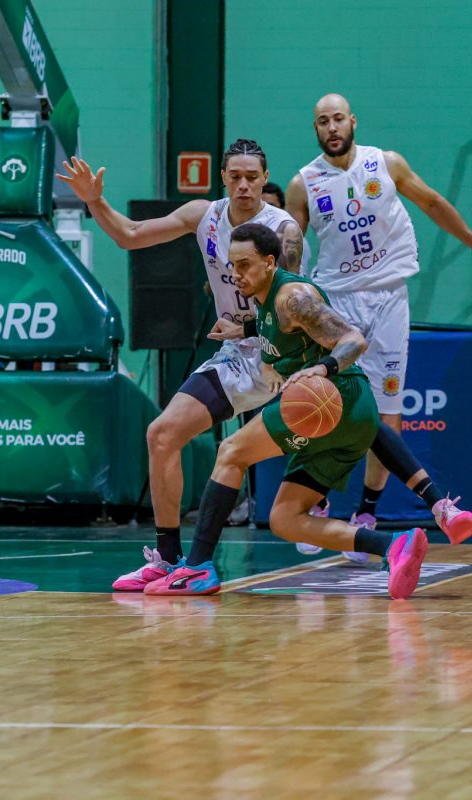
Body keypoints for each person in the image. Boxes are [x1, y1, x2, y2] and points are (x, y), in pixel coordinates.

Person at [57, 139, 305, 591]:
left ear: (265, 179)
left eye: (252, 177)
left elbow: (287, 307)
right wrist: (95, 201)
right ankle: (168, 559)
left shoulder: (283, 231)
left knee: (336, 429)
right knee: (162, 434)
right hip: (236, 356)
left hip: (279, 354)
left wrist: (247, 327)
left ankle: (370, 515)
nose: (244, 185)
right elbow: (130, 235)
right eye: (235, 176)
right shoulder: (203, 216)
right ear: (223, 178)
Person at [284, 93, 472, 561]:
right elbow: (291, 249)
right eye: (322, 121)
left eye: (338, 119)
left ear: (353, 121)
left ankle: (367, 514)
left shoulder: (385, 163)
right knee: (326, 404)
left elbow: (432, 202)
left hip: (389, 297)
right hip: (337, 302)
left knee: (387, 414)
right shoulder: (303, 183)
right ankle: (316, 501)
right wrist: (286, 302)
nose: (332, 128)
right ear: (315, 129)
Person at [144, 223, 430, 599]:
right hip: (351, 416)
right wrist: (245, 332)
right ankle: (393, 545)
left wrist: (323, 368)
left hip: (332, 397)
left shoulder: (291, 297)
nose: (236, 274)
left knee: (230, 453)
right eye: (232, 266)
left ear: (269, 262)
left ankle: (197, 567)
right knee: (285, 519)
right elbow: (276, 334)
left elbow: (353, 339)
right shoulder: (264, 301)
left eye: (245, 265)